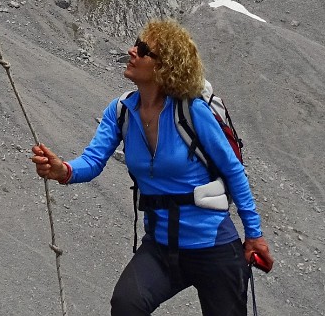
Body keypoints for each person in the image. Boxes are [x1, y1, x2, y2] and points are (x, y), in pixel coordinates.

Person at [32, 19, 273, 316]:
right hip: (160, 248)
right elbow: (93, 161)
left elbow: (234, 171)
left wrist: (254, 235)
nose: (132, 51)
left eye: (144, 49)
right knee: (126, 305)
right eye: (137, 43)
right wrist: (64, 171)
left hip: (213, 248)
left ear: (165, 67)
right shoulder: (121, 110)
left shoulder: (192, 112)